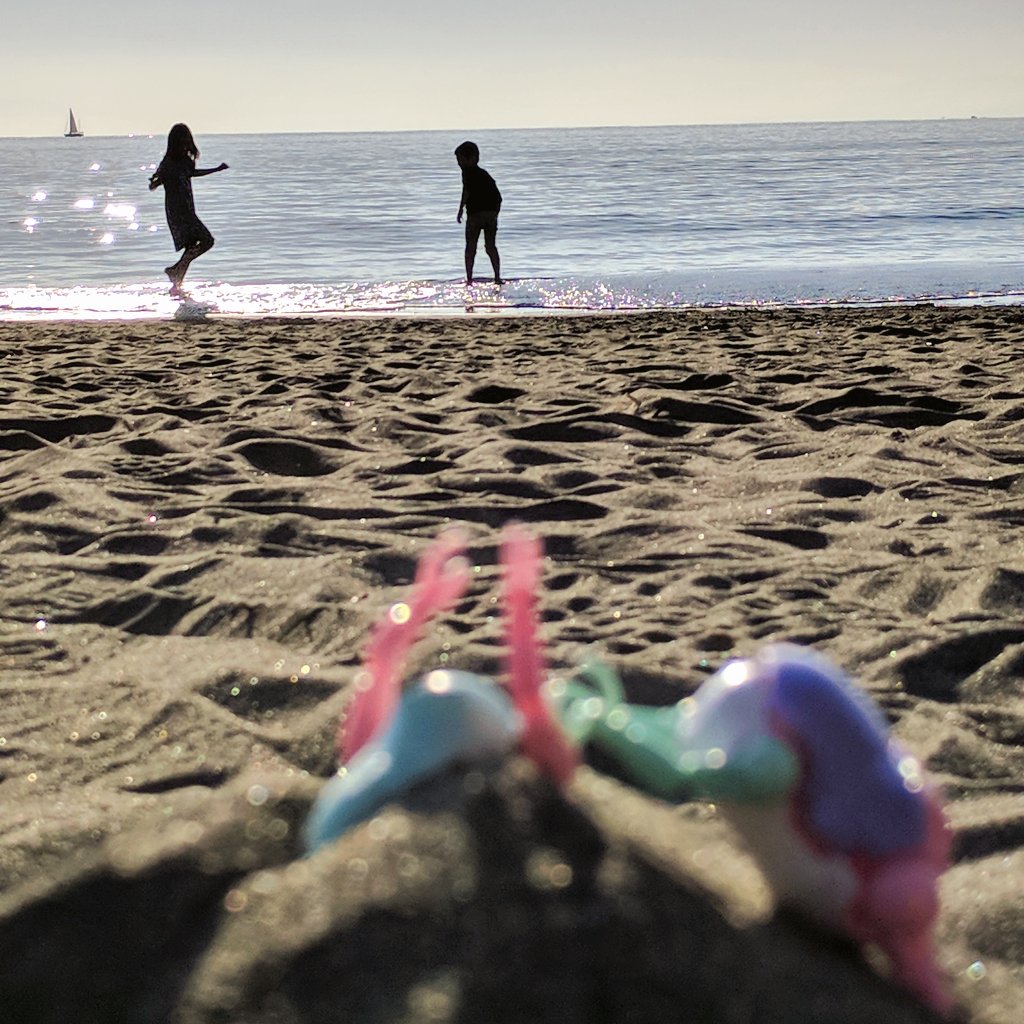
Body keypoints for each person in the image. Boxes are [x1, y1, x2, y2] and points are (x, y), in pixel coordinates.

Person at [149, 124, 228, 295]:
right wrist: (155, 182)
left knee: (192, 245)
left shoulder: (185, 161)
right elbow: (155, 183)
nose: (186, 142)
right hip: (177, 210)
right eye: (183, 139)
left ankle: (176, 283)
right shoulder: (168, 162)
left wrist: (216, 169)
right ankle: (176, 270)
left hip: (188, 208)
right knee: (207, 240)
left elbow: (193, 173)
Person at [455, 141, 502, 285]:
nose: (459, 163)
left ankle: (470, 279)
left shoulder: (468, 173)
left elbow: (466, 191)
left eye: (461, 160)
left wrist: (460, 209)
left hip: (477, 215)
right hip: (489, 214)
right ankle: (497, 277)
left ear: (473, 158)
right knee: (490, 247)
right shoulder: (482, 174)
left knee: (471, 248)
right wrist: (495, 213)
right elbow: (498, 197)